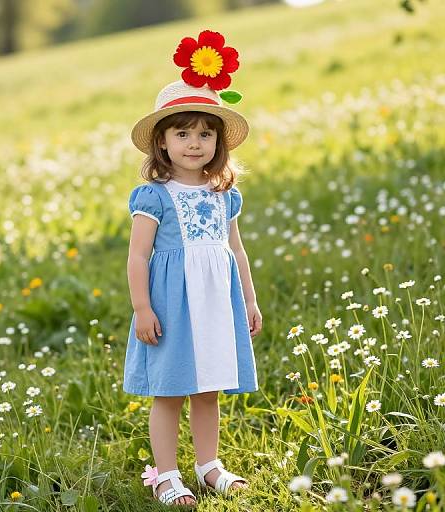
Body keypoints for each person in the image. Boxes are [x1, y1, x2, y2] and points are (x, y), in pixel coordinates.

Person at [123, 30, 262, 507]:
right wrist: (142, 307)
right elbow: (138, 255)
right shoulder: (154, 197)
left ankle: (209, 465)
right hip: (171, 307)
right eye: (182, 132)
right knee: (170, 392)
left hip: (215, 305)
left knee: (209, 389)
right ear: (161, 142)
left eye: (205, 132)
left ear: (219, 141)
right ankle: (165, 474)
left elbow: (236, 251)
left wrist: (249, 299)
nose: (195, 142)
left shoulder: (224, 194)